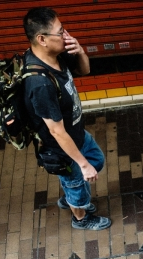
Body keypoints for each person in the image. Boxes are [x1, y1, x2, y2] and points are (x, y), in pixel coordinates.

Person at [23, 7, 111, 230]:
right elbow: (56, 132)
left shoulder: (56, 55)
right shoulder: (40, 83)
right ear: (42, 39)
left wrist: (80, 51)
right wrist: (82, 165)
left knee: (97, 161)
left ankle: (72, 194)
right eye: (60, 32)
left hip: (77, 134)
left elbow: (85, 71)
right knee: (78, 185)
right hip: (61, 149)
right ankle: (80, 217)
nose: (66, 36)